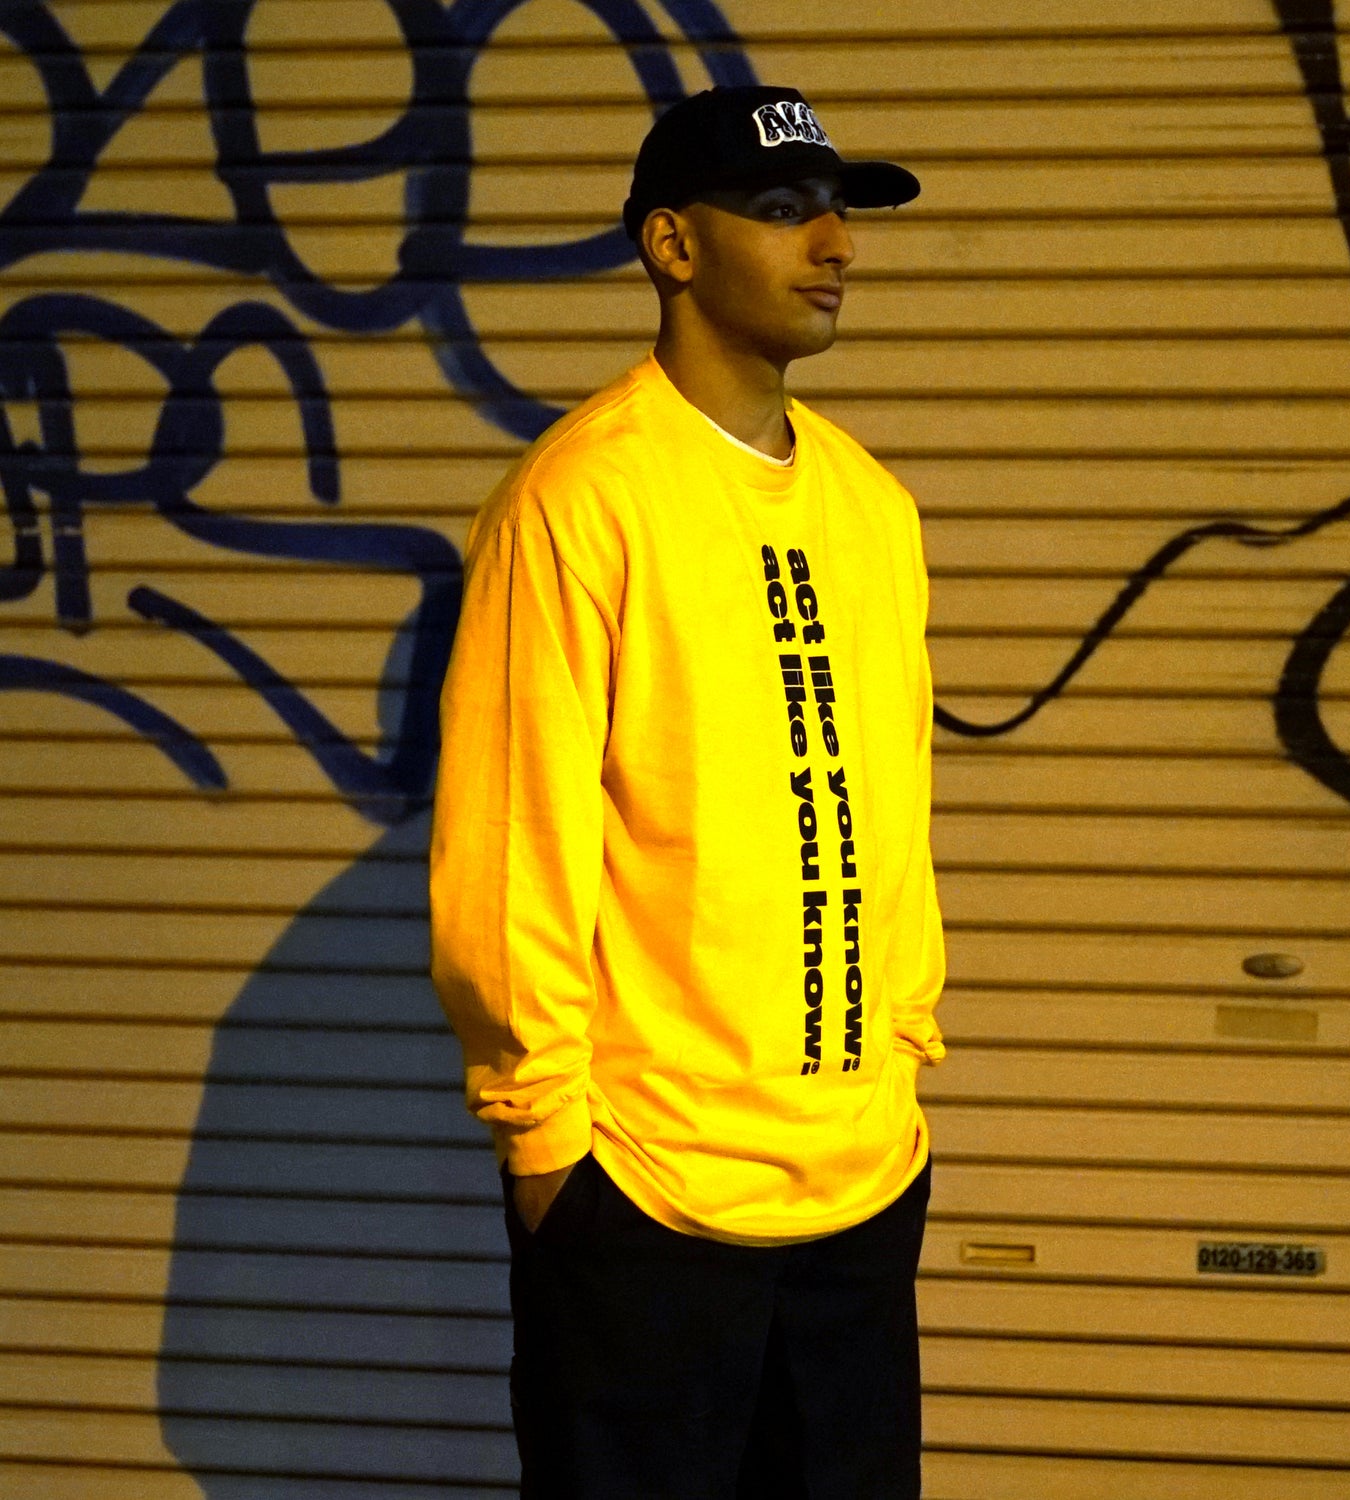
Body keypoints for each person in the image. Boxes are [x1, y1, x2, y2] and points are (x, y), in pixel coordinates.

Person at [429, 85, 946, 1499]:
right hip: (646, 1199)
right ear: (671, 244)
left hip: (857, 1186)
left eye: (840, 213)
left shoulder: (872, 507)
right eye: (784, 212)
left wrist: (901, 1049)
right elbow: (512, 843)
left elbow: (893, 802)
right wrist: (548, 1147)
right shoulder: (583, 499)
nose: (835, 245)